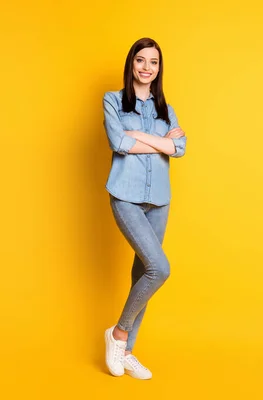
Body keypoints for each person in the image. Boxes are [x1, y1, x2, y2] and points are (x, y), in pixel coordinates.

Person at [101, 37, 187, 380]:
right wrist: (161, 142)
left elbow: (179, 148)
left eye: (153, 62)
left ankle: (127, 352)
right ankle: (118, 334)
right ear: (131, 64)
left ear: (158, 68)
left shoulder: (165, 108)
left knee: (143, 275)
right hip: (126, 196)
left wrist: (141, 135)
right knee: (160, 268)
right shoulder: (113, 100)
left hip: (159, 201)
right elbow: (117, 142)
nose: (147, 68)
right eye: (141, 60)